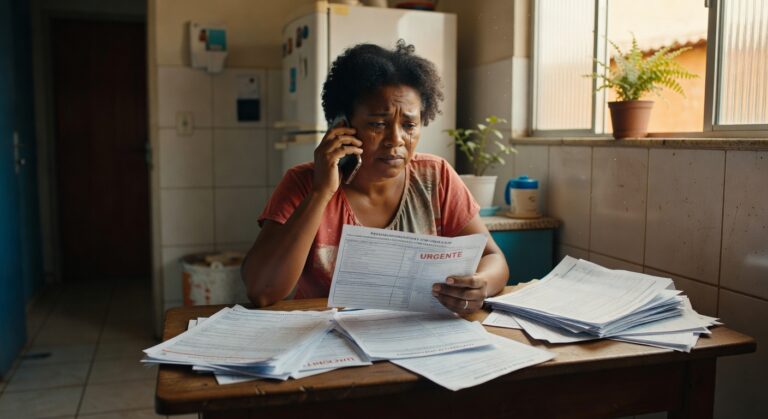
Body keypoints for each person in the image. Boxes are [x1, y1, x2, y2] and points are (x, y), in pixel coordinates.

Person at [242, 40, 509, 314]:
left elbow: (493, 257)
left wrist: (482, 284)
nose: (396, 140)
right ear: (342, 125)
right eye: (378, 124)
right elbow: (262, 292)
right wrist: (321, 193)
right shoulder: (303, 183)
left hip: (412, 340)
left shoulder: (436, 176)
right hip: (325, 344)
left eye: (409, 125)